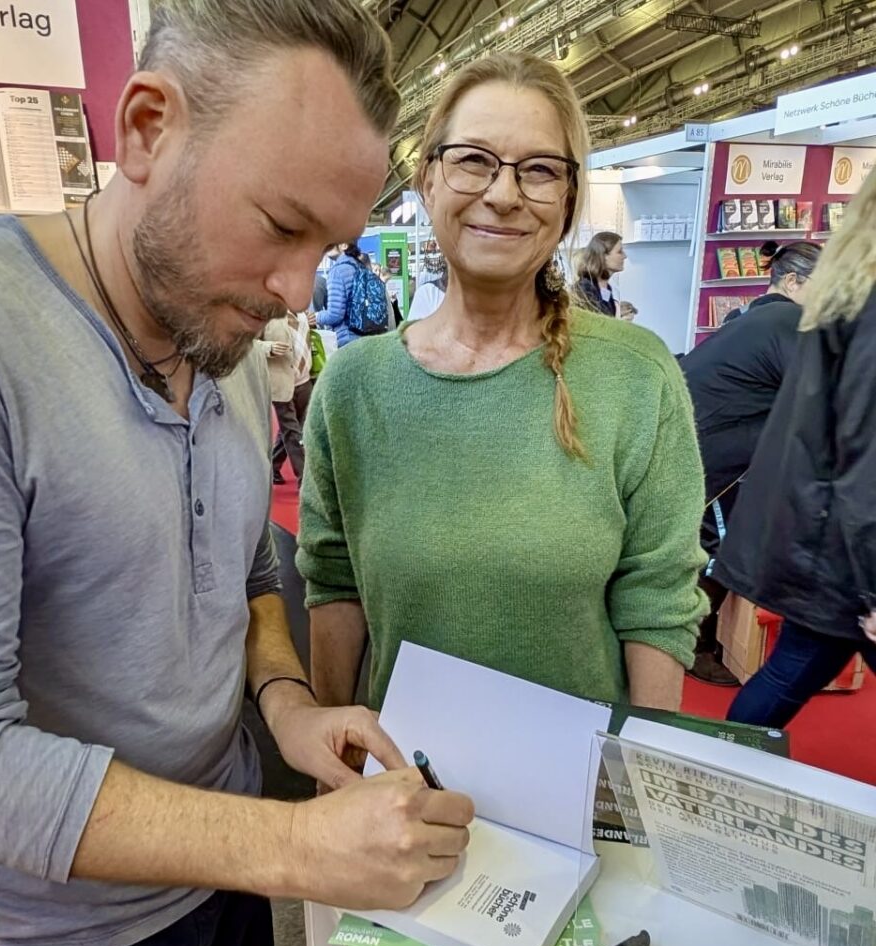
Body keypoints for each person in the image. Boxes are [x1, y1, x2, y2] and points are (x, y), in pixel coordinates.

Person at [0, 4, 475, 946]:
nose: (294, 292)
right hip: (52, 944)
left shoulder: (212, 328)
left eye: (326, 244)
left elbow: (245, 578)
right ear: (146, 127)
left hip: (221, 886)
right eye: (280, 226)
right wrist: (290, 844)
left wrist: (287, 706)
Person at [297, 53, 707, 716]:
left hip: (570, 791)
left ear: (569, 199)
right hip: (400, 786)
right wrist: (331, 769)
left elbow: (657, 600)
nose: (504, 193)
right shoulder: (354, 387)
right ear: (427, 179)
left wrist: (636, 788)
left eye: (539, 169)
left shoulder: (636, 377)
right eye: (472, 159)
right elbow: (333, 581)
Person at [713, 170, 876, 728]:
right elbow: (865, 456)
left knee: (789, 672)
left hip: (820, 541)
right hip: (841, 549)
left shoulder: (839, 303)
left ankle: (719, 765)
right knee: (789, 672)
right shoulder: (861, 311)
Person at [681, 241, 822, 685]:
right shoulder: (789, 321)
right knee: (719, 549)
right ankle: (693, 648)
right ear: (794, 282)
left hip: (698, 447)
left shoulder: (754, 314)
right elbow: (817, 398)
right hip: (716, 458)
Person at [267, 311, 313, 484]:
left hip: (305, 379)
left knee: (293, 430)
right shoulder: (267, 311)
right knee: (293, 432)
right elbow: (249, 343)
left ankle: (272, 467)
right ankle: (306, 480)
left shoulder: (302, 311)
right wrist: (269, 347)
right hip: (281, 382)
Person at [315, 242, 369, 346]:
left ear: (344, 245)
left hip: (347, 338)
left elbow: (335, 315)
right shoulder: (359, 266)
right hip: (366, 336)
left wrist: (316, 316)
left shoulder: (338, 271)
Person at [572, 231, 625, 316]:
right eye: (620, 252)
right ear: (603, 256)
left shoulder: (606, 288)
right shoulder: (584, 289)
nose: (624, 256)